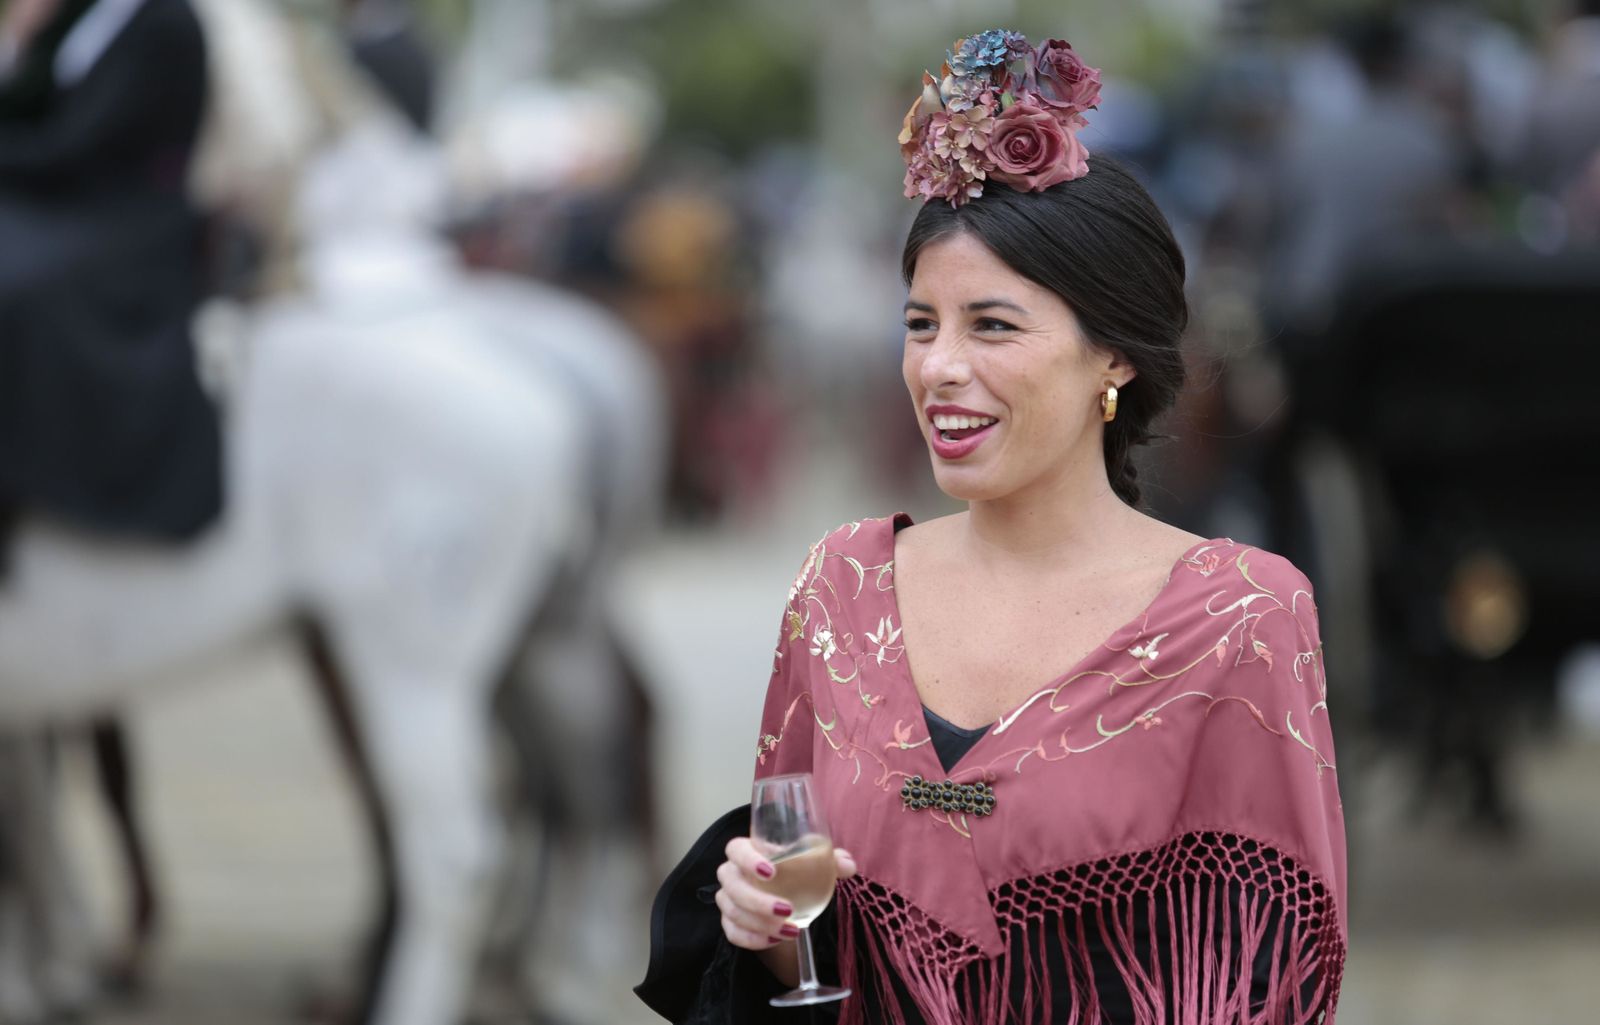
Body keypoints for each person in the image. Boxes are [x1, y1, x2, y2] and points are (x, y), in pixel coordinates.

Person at [637, 30, 1346, 1024]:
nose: (938, 367)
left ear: (1114, 357)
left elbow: (1268, 974)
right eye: (921, 323)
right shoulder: (839, 586)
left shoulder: (1240, 613)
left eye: (993, 326)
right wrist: (755, 918)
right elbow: (794, 901)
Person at [0, 0, 222, 572]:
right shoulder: (89, 15)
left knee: (16, 288)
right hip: (72, 198)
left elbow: (79, 147)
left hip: (125, 223)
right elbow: (32, 102)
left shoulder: (169, 24)